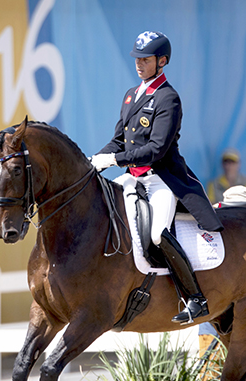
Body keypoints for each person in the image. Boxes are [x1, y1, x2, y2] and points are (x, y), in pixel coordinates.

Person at [89, 31, 224, 325]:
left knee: (157, 233)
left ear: (161, 61)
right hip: (133, 178)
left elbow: (156, 149)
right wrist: (92, 161)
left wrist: (113, 160)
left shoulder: (168, 98)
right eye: (137, 58)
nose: (139, 64)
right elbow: (119, 141)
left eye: (145, 59)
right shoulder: (130, 95)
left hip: (161, 179)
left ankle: (196, 299)